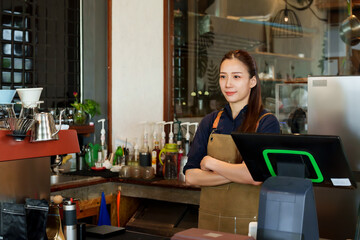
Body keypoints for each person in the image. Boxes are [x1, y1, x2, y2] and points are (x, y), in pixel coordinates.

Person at [183, 49, 280, 235]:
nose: (228, 84)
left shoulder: (267, 122)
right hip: (209, 225)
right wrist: (240, 173)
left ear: (252, 81)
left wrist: (212, 163)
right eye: (223, 77)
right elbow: (191, 176)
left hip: (249, 224)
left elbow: (255, 177)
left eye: (236, 76)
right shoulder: (210, 122)